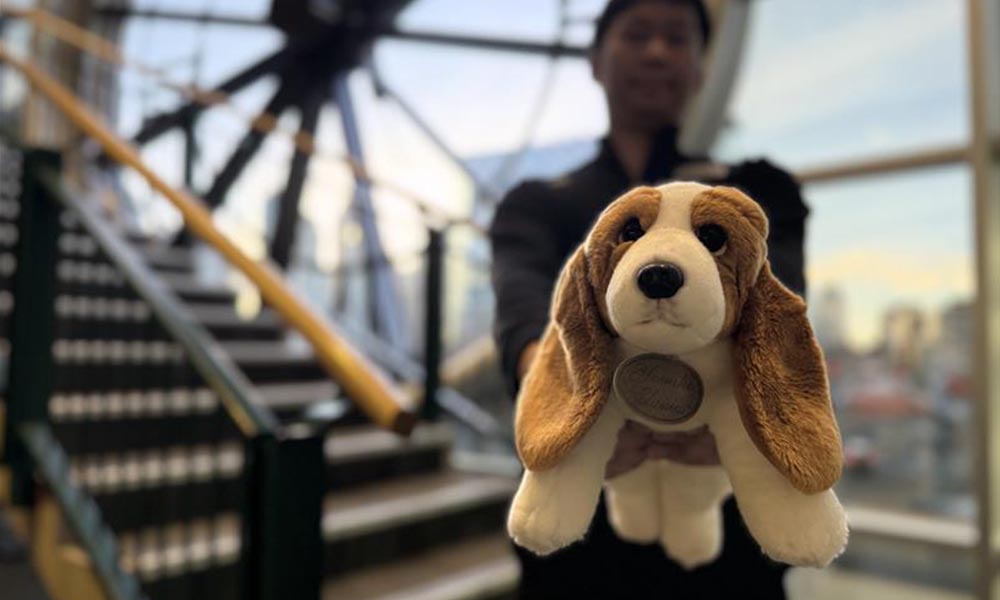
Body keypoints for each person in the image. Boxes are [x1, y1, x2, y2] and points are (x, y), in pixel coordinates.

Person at [489, 0, 811, 598]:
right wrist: (571, 417)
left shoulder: (759, 191)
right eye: (637, 34)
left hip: (729, 524)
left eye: (677, 39)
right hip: (582, 537)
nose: (658, 51)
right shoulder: (536, 204)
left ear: (699, 69)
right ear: (594, 60)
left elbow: (780, 311)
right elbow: (523, 313)